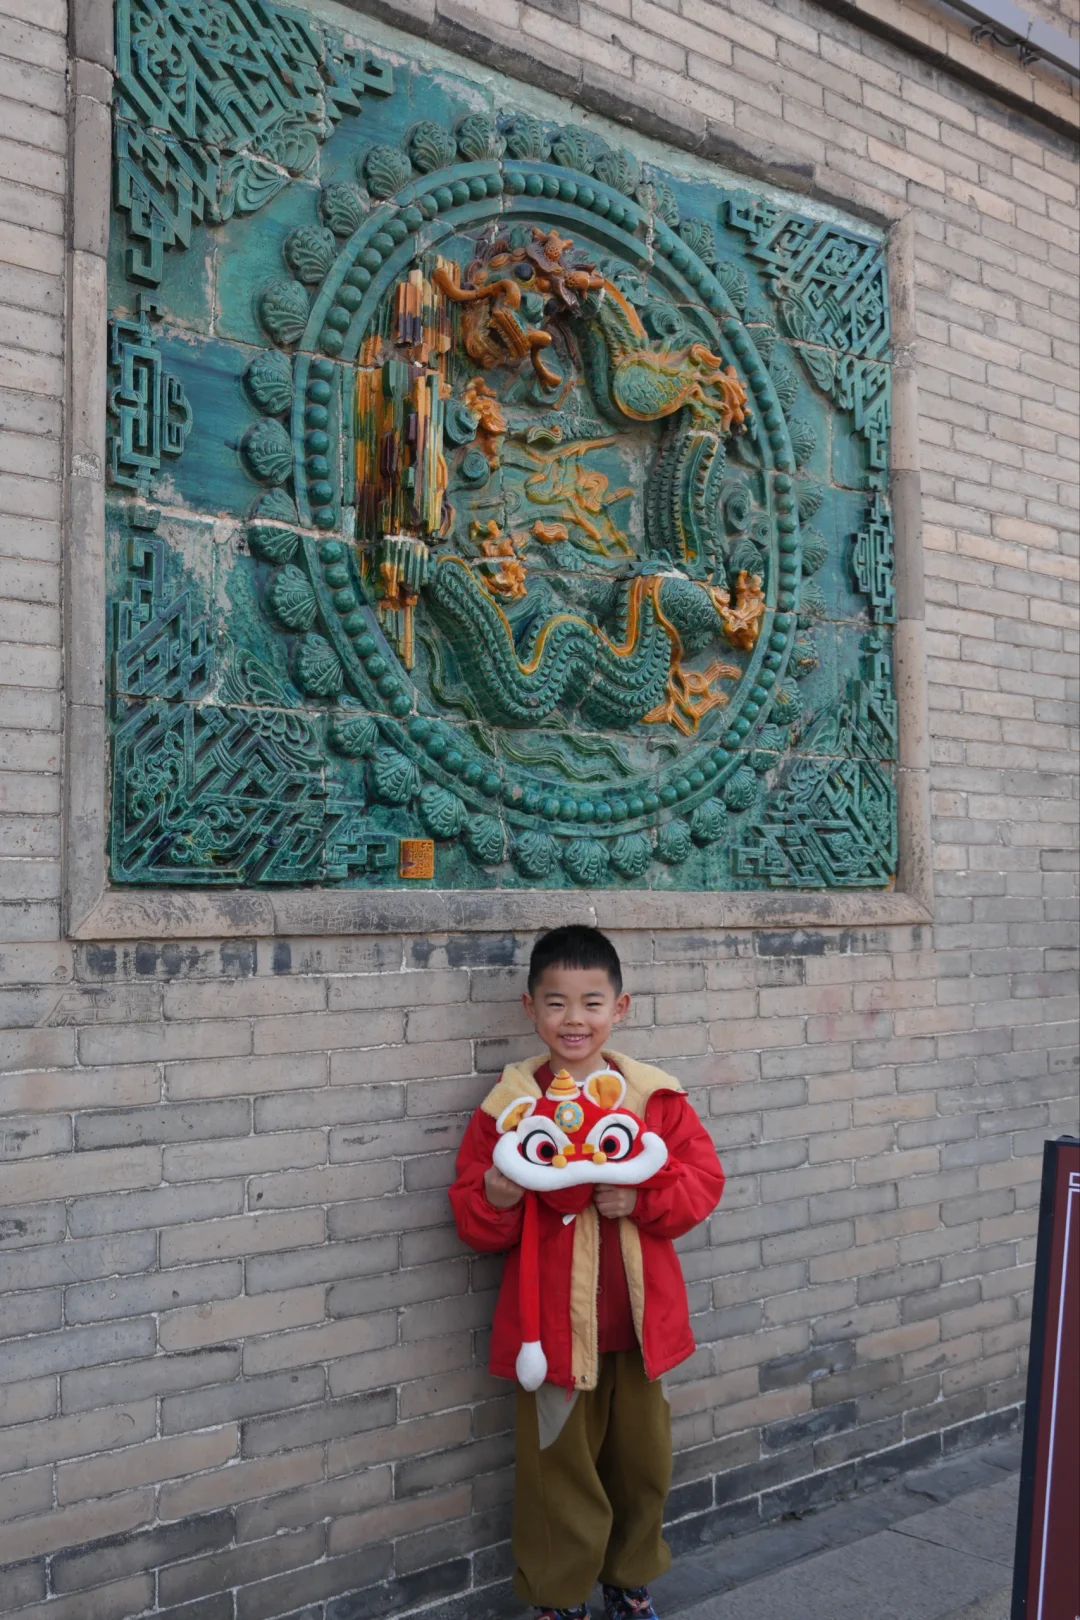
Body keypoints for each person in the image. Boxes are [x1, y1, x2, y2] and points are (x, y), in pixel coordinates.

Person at [449, 925, 725, 1620]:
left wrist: (640, 1200)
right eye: (556, 1003)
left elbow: (702, 1182)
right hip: (550, 1335)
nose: (574, 1019)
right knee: (558, 1472)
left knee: (642, 1464)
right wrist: (498, 1198)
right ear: (530, 1008)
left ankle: (628, 1582)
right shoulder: (510, 1109)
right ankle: (559, 1598)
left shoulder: (654, 1099)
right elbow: (473, 1218)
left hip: (640, 1326)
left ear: (620, 1007)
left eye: (592, 1003)